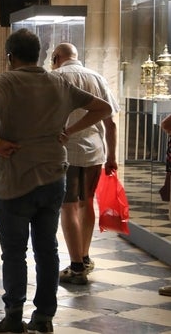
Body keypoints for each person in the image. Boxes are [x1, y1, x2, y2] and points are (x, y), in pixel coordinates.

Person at [0, 29, 112, 334]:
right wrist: (70, 130)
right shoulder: (59, 81)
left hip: (16, 178)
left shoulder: (8, 81)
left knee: (14, 252)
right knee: (47, 249)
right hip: (53, 176)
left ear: (10, 56)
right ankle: (44, 317)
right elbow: (103, 108)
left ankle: (13, 316)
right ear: (39, 55)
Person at [51, 43, 119, 285]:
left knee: (68, 206)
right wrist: (112, 157)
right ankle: (85, 255)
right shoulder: (97, 78)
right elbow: (110, 123)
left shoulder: (54, 77)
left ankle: (77, 264)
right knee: (87, 202)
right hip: (93, 149)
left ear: (57, 57)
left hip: (64, 150)